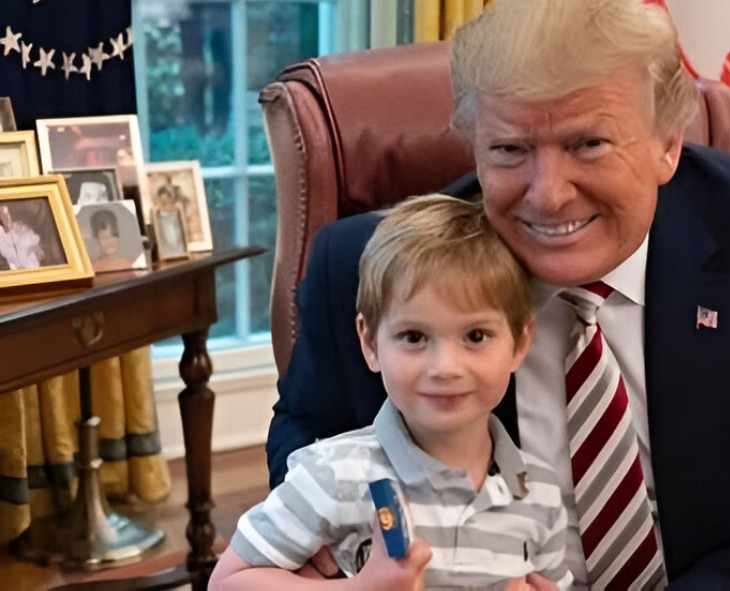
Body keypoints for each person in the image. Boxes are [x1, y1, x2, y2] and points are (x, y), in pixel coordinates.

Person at [267, 0, 730, 588]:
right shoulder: (369, 268)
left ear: (667, 144)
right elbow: (307, 439)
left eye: (588, 144)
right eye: (509, 150)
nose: (547, 194)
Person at [212, 194, 572, 590]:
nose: (445, 368)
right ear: (369, 342)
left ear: (520, 343)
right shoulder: (333, 474)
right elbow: (228, 580)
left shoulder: (541, 491)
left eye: (475, 336)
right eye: (414, 337)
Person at [88, 208, 138, 272]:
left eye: (114, 235)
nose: (110, 241)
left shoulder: (134, 263)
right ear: (96, 239)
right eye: (105, 237)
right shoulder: (91, 268)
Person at [0, 204, 44, 270]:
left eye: (7, 213)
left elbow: (40, 252)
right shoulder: (2, 237)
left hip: (33, 269)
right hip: (14, 272)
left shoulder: (23, 229)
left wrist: (35, 249)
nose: (6, 217)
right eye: (2, 215)